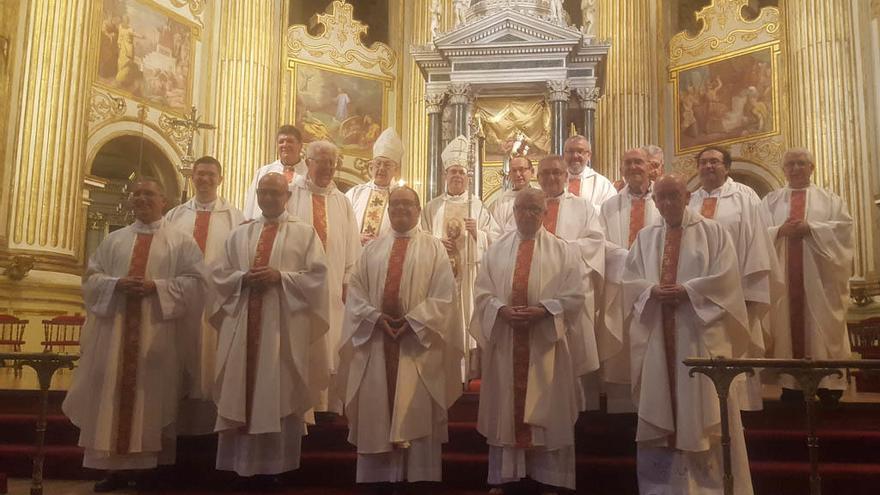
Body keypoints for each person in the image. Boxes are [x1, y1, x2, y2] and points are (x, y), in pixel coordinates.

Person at [62, 179, 205, 492]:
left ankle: (147, 470)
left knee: (152, 398)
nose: (142, 199)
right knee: (110, 398)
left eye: (149, 194)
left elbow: (196, 283)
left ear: (163, 201)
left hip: (157, 336)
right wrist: (114, 285)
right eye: (137, 194)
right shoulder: (114, 240)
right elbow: (91, 278)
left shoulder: (181, 242)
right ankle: (112, 469)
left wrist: (158, 287)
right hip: (114, 334)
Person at [623, 174, 754, 495]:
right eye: (661, 198)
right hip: (658, 337)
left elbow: (726, 280)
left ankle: (708, 487)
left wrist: (688, 291)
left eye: (673, 196)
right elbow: (630, 281)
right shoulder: (645, 237)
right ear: (654, 201)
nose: (667, 203)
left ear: (687, 196)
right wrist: (651, 290)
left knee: (703, 410)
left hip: (698, 334)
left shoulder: (713, 233)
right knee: (661, 408)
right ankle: (662, 488)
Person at [338, 186, 463, 493]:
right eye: (395, 205)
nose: (401, 210)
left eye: (407, 204)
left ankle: (417, 478)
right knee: (377, 406)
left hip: (416, 345)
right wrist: (374, 317)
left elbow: (444, 296)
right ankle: (378, 479)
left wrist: (413, 321)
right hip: (377, 342)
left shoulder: (434, 249)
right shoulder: (371, 249)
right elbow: (355, 292)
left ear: (418, 210)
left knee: (415, 408)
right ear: (388, 210)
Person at [471, 188, 592, 494]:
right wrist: (500, 310)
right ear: (513, 212)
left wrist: (544, 310)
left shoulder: (563, 251)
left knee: (547, 412)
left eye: (534, 210)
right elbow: (482, 293)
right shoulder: (496, 250)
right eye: (522, 209)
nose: (527, 215)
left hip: (545, 345)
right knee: (507, 411)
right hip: (508, 343)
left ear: (545, 213)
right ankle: (507, 476)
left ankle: (549, 477)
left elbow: (575, 296)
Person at [211, 173, 329, 487]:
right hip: (243, 327)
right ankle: (241, 467)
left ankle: (276, 467)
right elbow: (220, 275)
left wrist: (281, 277)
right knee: (243, 389)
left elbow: (317, 277)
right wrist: (241, 279)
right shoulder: (240, 234)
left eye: (275, 193)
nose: (268, 198)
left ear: (287, 196)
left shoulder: (304, 234)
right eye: (263, 192)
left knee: (278, 390)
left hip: (283, 330)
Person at [688, 146, 779, 411]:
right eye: (703, 162)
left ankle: (740, 406)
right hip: (697, 293)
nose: (708, 167)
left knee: (736, 345)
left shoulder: (744, 196)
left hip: (734, 290)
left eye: (714, 161)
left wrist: (753, 289)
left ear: (726, 167)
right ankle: (704, 406)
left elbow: (756, 242)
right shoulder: (691, 200)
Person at [763, 148, 854, 405]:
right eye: (790, 164)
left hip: (820, 284)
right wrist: (778, 230)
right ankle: (790, 386)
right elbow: (757, 233)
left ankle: (829, 385)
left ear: (811, 168)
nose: (795, 169)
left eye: (801, 163)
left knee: (822, 329)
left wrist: (811, 229)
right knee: (785, 330)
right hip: (784, 282)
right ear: (783, 169)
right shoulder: (770, 201)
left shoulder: (830, 200)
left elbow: (844, 232)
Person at [164, 156, 245, 435]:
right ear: (193, 177)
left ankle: (212, 428)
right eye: (200, 174)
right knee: (181, 361)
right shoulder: (175, 216)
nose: (205, 179)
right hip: (182, 301)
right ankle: (180, 427)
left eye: (211, 175)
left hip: (218, 300)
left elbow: (242, 259)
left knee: (213, 361)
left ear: (220, 179)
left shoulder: (235, 217)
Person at [288, 140, 361, 412]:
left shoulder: (342, 201)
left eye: (332, 163)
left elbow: (352, 245)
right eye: (323, 162)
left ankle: (327, 406)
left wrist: (347, 281)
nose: (329, 168)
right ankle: (300, 406)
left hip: (332, 289)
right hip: (297, 286)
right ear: (308, 163)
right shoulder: (290, 194)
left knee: (331, 342)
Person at [422, 135, 501, 379]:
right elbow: (419, 238)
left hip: (469, 275)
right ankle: (440, 368)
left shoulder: (477, 206)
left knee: (467, 317)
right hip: (439, 276)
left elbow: (496, 239)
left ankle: (467, 371)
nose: (457, 176)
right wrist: (435, 242)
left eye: (461, 172)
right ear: (445, 175)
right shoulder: (431, 207)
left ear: (468, 178)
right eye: (453, 171)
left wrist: (479, 233)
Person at [535, 155, 606, 410]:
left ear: (566, 176)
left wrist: (559, 250)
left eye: (556, 172)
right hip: (537, 293)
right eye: (545, 173)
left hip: (571, 290)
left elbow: (594, 243)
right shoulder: (529, 205)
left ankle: (581, 410)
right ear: (538, 177)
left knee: (575, 352)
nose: (551, 178)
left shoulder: (584, 207)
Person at [598, 148, 661, 413]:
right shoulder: (610, 205)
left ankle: (654, 404)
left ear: (650, 167)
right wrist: (626, 257)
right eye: (628, 163)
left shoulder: (664, 198)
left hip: (654, 284)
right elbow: (600, 241)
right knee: (623, 345)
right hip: (621, 284)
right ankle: (623, 408)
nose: (633, 167)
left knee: (653, 344)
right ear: (622, 169)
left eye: (638, 162)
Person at [345, 128, 404, 244]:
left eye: (387, 165)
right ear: (371, 166)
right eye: (378, 163)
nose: (381, 168)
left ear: (395, 170)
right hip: (357, 254)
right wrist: (356, 238)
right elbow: (340, 224)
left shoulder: (402, 197)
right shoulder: (355, 193)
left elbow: (411, 230)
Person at [242, 125, 306, 219]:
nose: (285, 145)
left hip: (298, 228)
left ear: (300, 145)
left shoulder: (309, 174)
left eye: (290, 141)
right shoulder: (264, 172)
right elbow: (252, 203)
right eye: (281, 142)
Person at [562, 135, 616, 209]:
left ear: (589, 155)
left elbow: (610, 212)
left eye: (580, 151)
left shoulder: (603, 184)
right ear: (564, 154)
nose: (575, 156)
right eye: (570, 151)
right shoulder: (554, 181)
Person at [489, 155, 534, 233]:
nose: (518, 174)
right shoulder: (500, 202)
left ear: (532, 171)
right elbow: (494, 233)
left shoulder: (541, 197)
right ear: (509, 174)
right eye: (514, 170)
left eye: (521, 169)